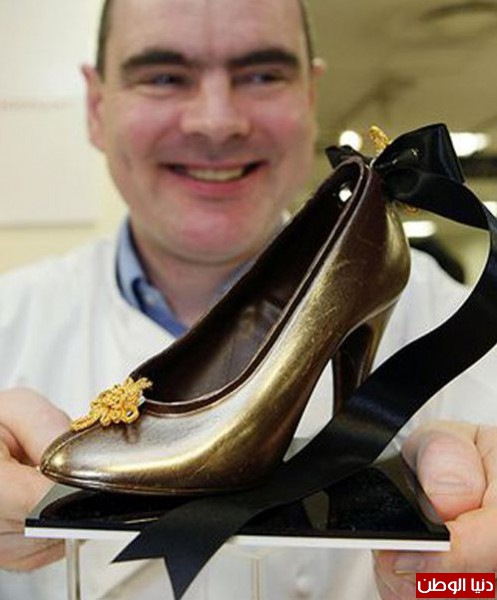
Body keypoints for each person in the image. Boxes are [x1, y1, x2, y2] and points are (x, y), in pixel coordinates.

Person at [0, 0, 496, 598]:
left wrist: (466, 585)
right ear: (96, 107)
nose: (216, 122)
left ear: (310, 98)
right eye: (164, 76)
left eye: (262, 75)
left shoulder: (465, 346)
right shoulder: (10, 322)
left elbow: (467, 581)